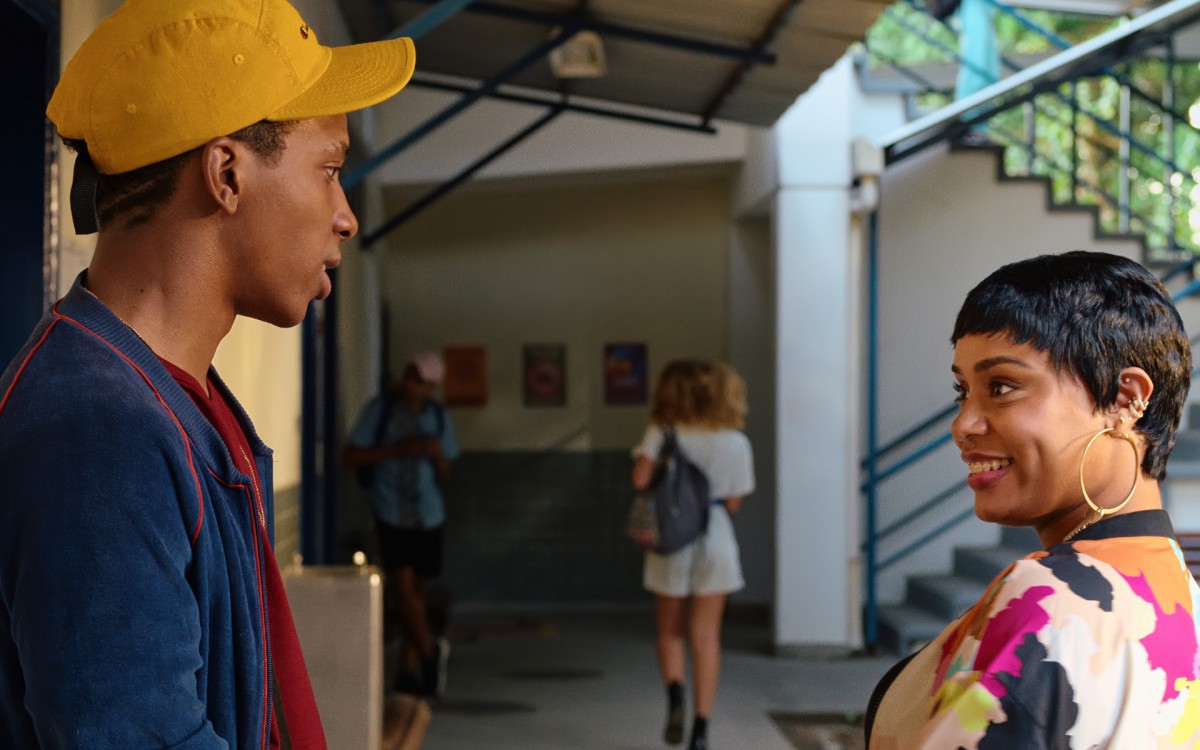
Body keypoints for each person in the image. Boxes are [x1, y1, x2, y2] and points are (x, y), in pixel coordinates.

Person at [0, 1, 415, 747]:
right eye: (329, 170)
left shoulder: (166, 397)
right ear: (226, 174)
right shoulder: (99, 432)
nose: (346, 216)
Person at [866, 251, 1200, 748]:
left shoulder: (1050, 599)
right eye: (963, 391)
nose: (963, 425)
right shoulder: (1179, 597)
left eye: (1001, 387)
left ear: (1125, 398)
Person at [632, 359, 755, 750]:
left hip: (671, 536)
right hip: (715, 537)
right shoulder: (735, 441)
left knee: (670, 630)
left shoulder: (663, 431)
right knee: (706, 636)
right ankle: (701, 730)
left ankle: (675, 698)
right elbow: (734, 502)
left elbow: (640, 479)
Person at [344, 351, 459, 698]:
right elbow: (350, 456)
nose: (409, 384)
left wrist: (434, 452)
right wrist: (396, 450)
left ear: (431, 386)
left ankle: (408, 672)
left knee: (418, 594)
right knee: (403, 588)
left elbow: (446, 472)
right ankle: (429, 651)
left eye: (418, 381)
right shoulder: (380, 411)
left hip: (428, 514)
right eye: (408, 376)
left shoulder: (437, 417)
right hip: (391, 512)